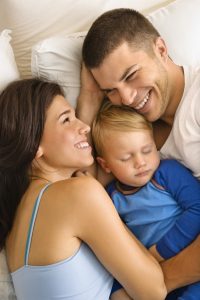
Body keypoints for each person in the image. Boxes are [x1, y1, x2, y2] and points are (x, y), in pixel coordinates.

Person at [0, 78, 166, 300]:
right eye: (66, 119)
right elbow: (154, 291)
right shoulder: (79, 194)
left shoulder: (18, 217)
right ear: (34, 145)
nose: (84, 127)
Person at [77, 7, 200, 296]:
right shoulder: (137, 138)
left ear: (160, 49)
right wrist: (89, 100)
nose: (128, 98)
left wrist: (152, 284)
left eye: (131, 75)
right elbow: (83, 186)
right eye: (111, 90)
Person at [92, 101, 200, 299]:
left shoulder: (167, 172)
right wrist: (117, 290)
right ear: (105, 165)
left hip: (190, 257)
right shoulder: (110, 198)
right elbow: (117, 250)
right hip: (153, 276)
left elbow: (197, 209)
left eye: (147, 150)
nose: (140, 162)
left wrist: (161, 251)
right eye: (126, 158)